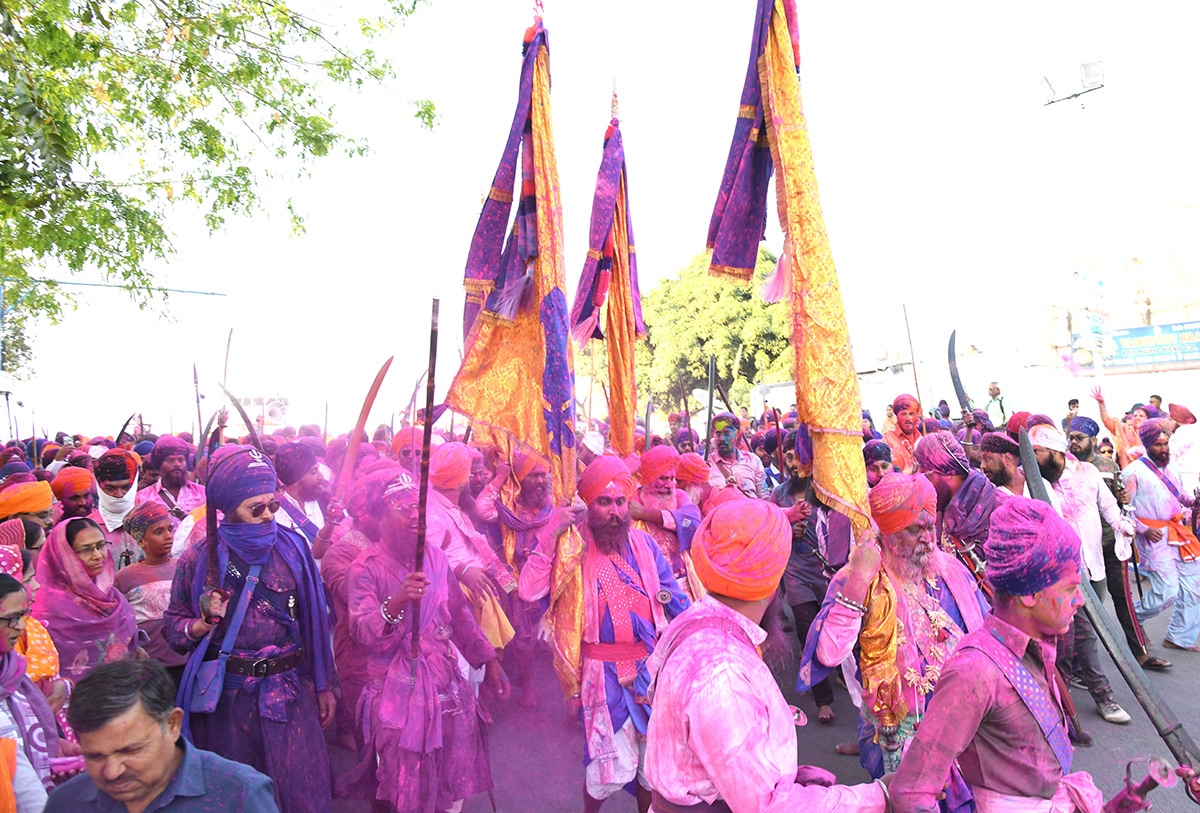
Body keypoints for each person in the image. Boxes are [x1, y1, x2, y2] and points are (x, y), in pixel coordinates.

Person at [644, 500, 889, 813]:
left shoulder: (700, 622)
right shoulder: (722, 675)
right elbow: (769, 806)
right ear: (775, 578)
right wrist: (880, 797)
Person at [889, 498, 1106, 813]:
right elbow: (911, 790)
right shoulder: (974, 672)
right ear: (1030, 595)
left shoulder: (1039, 646)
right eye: (1071, 588)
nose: (1082, 600)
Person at [164, 445, 334, 813]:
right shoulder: (200, 559)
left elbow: (316, 622)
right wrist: (200, 623)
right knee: (241, 797)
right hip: (229, 703)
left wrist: (322, 683)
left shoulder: (293, 548)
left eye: (273, 505)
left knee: (303, 793)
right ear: (228, 507)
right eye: (255, 509)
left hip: (291, 698)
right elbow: (173, 630)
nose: (268, 516)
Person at [518, 456, 690, 813]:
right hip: (601, 676)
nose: (614, 511)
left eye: (620, 502)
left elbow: (675, 600)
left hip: (651, 670)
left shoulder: (645, 546)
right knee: (604, 770)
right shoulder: (570, 549)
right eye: (604, 502)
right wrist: (551, 531)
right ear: (589, 505)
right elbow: (527, 590)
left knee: (650, 767)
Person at [797, 473, 988, 792]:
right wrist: (858, 580)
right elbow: (829, 653)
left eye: (931, 526)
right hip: (895, 731)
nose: (928, 538)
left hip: (962, 720)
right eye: (915, 530)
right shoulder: (858, 578)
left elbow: (985, 637)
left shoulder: (950, 569)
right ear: (886, 533)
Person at [341, 470, 506, 812]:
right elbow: (364, 632)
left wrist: (490, 663)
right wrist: (397, 602)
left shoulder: (435, 557)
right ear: (380, 515)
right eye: (403, 508)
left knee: (452, 777)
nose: (416, 516)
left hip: (445, 683)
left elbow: (460, 618)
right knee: (399, 784)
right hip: (393, 694)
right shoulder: (364, 568)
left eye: (419, 507)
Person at [45, 658, 277, 812]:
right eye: (95, 757)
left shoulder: (239, 794)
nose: (112, 772)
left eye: (130, 750)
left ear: (173, 724)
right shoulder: (67, 802)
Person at [1026, 423, 1132, 726]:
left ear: (1055, 451)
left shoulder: (1087, 473)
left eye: (1037, 452)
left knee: (1079, 636)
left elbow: (1108, 507)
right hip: (1060, 574)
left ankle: (1061, 696)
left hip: (1093, 567)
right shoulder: (1038, 484)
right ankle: (1101, 695)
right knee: (1080, 635)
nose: (1031, 459)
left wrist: (1123, 525)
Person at [1068, 417, 1163, 670]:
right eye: (1071, 437)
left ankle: (1139, 652)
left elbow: (1120, 502)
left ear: (1093, 440)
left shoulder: (1108, 464)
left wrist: (1123, 497)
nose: (1074, 442)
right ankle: (1080, 664)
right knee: (1086, 606)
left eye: (1079, 438)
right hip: (1083, 547)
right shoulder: (1065, 467)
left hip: (1111, 541)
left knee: (1123, 598)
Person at [473, 451, 557, 708]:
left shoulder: (554, 506)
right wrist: (500, 477)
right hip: (516, 579)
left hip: (550, 576)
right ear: (520, 479)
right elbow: (482, 508)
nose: (541, 481)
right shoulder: (509, 508)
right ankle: (527, 683)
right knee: (524, 638)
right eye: (533, 475)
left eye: (544, 475)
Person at [426, 443, 515, 662]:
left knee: (488, 663)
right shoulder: (434, 515)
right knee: (472, 668)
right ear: (459, 481)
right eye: (469, 474)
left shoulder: (454, 505)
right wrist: (462, 571)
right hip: (460, 603)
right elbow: (426, 563)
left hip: (478, 593)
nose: (473, 479)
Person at [0, 570, 80, 801]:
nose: (21, 627)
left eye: (22, 616)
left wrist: (52, 747)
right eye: (11, 619)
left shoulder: (14, 671)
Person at [1122, 418, 1199, 652]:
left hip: (1179, 533)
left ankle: (1179, 638)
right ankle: (1132, 617)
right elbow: (1125, 512)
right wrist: (1144, 530)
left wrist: (1196, 501)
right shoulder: (1132, 472)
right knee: (1167, 592)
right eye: (1157, 445)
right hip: (1153, 537)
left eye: (1165, 444)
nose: (1163, 449)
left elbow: (1181, 497)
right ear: (1146, 445)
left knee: (1194, 585)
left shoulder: (1172, 466)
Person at [31, 517, 141, 682]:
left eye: (100, 545)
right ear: (64, 554)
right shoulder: (47, 607)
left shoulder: (112, 597)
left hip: (123, 695)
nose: (98, 555)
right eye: (86, 549)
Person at [114, 502, 189, 687]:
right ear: (141, 541)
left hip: (186, 663)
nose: (168, 536)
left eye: (169, 529)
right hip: (148, 669)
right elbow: (122, 624)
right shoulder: (125, 578)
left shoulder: (185, 567)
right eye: (158, 532)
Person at [629, 446, 704, 602]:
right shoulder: (633, 499)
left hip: (685, 587)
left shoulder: (680, 496)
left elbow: (693, 522)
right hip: (646, 588)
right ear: (648, 479)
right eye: (663, 478)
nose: (669, 485)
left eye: (672, 479)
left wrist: (645, 514)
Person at [273, 441, 343, 561]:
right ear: (295, 479)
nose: (321, 476)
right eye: (313, 472)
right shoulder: (275, 514)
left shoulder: (326, 501)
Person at [135, 436, 204, 532]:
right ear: (159, 464)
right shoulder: (142, 498)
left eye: (180, 460)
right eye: (170, 460)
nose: (177, 464)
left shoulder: (202, 494)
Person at [90, 449, 141, 569]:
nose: (119, 494)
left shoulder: (152, 520)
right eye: (110, 488)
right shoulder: (89, 527)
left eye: (126, 487)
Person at [706, 413, 768, 499]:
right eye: (718, 434)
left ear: (737, 434)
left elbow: (763, 495)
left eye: (727, 434)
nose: (722, 438)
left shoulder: (753, 460)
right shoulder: (706, 465)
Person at [883, 395, 921, 475]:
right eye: (904, 414)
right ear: (897, 416)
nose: (908, 418)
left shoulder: (921, 439)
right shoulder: (887, 441)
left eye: (911, 414)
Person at [979, 432, 1024, 498]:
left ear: (1007, 458)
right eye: (982, 460)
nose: (982, 466)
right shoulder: (988, 497)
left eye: (987, 459)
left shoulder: (1038, 484)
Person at [1170, 402, 1200, 494]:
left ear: (1176, 420)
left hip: (1182, 478)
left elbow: (1169, 458)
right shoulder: (1197, 433)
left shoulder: (1177, 436)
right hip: (1196, 478)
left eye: (1170, 420)